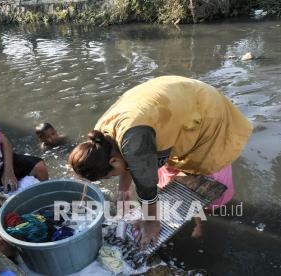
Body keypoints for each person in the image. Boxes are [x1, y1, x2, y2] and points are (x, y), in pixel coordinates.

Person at [68, 76, 253, 247]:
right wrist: (123, 189)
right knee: (161, 168)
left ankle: (205, 222)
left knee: (207, 172)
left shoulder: (134, 143)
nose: (115, 177)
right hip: (171, 103)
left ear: (114, 161)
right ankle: (192, 215)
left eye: (110, 176)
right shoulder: (99, 138)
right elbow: (126, 159)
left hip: (205, 110)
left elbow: (146, 188)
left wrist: (151, 222)